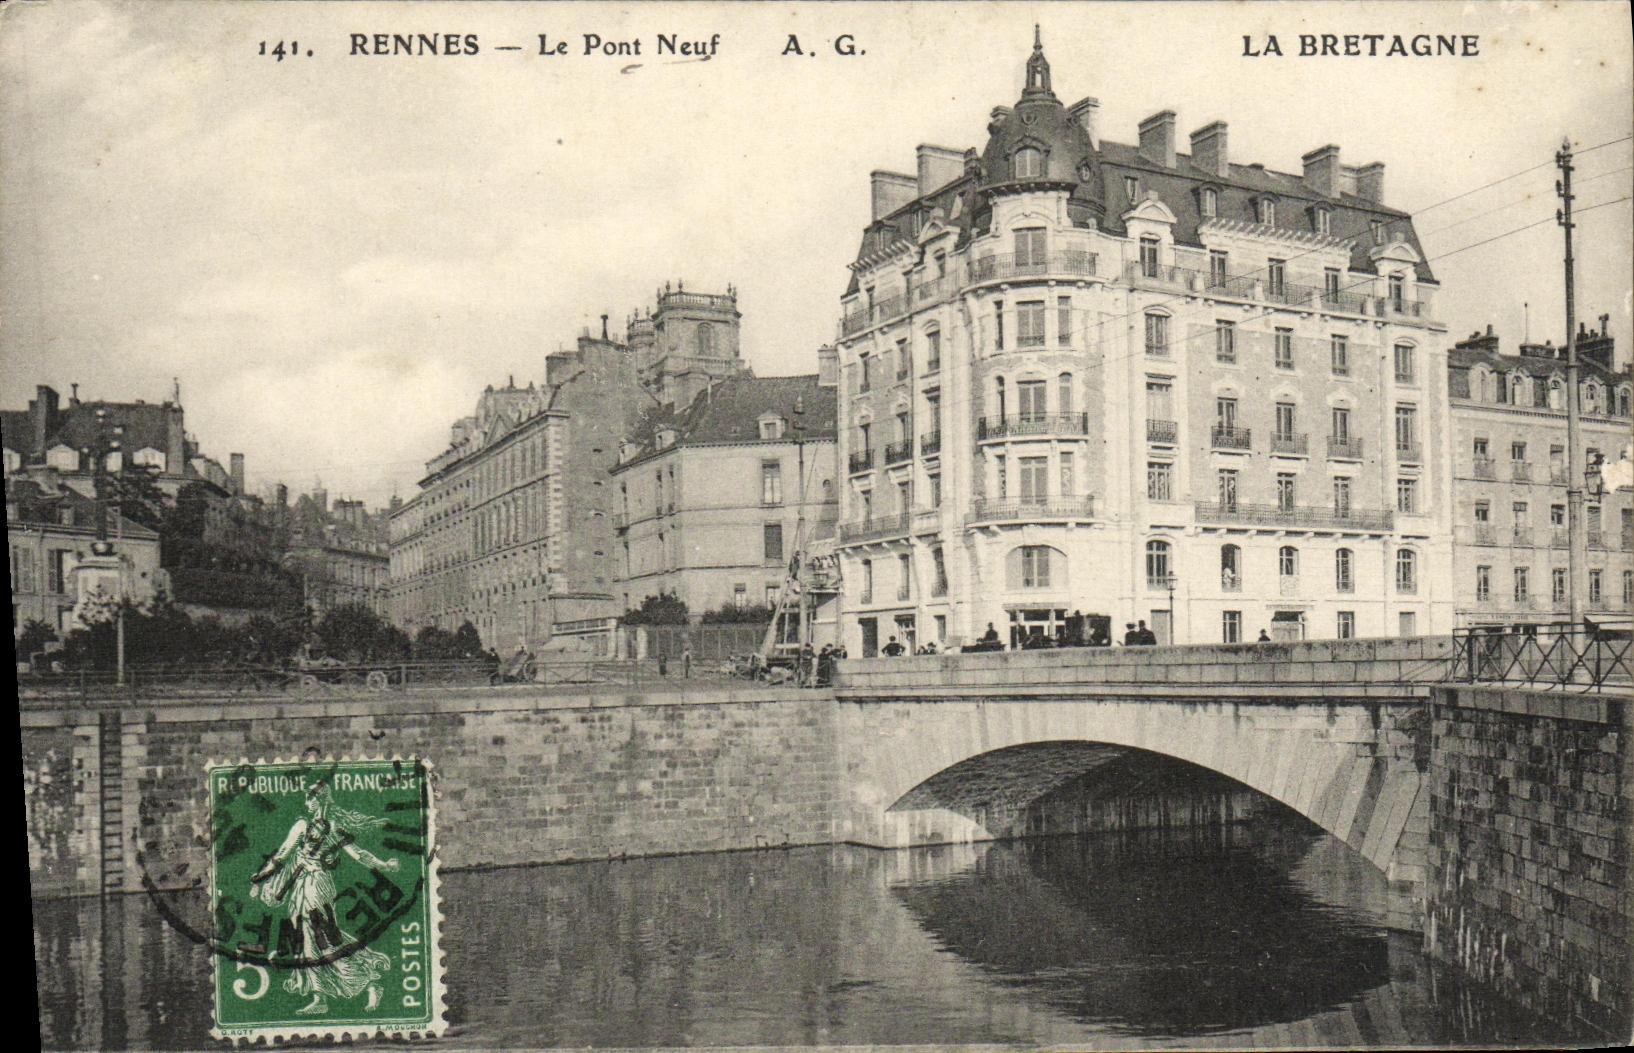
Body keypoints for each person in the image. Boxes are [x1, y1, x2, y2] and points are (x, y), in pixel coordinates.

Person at [249, 781, 399, 1016]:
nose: (307, 803)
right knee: (309, 939)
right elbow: (358, 855)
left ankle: (369, 981)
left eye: (310, 799)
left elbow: (282, 856)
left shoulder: (312, 826)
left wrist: (260, 878)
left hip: (314, 887)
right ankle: (321, 997)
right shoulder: (325, 826)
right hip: (308, 886)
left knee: (322, 940)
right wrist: (385, 865)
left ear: (319, 801)